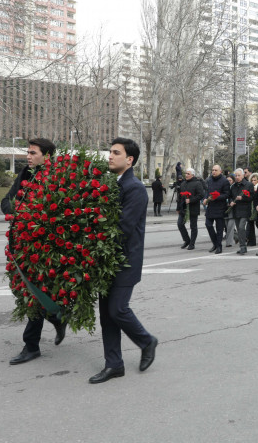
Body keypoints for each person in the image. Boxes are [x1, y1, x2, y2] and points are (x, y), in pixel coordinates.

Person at [89, 137, 157, 384]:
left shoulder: (135, 188)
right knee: (107, 314)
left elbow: (122, 228)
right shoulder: (112, 184)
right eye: (110, 152)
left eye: (115, 153)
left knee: (118, 309)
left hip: (124, 261)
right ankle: (114, 364)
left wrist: (93, 243)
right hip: (107, 260)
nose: (110, 156)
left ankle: (146, 340)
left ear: (129, 159)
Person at [3, 137, 67, 365]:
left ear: (47, 156)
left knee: (34, 295)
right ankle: (56, 317)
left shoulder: (57, 177)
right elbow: (7, 201)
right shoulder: (25, 175)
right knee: (27, 292)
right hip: (22, 245)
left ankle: (31, 346)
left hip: (46, 248)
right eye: (27, 152)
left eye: (33, 152)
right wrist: (19, 211)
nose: (28, 156)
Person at [203, 164, 230, 254]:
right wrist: (205, 199)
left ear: (220, 171)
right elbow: (207, 192)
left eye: (215, 170)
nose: (213, 172)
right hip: (210, 207)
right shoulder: (210, 180)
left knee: (219, 228)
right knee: (208, 224)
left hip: (220, 207)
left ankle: (219, 246)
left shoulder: (225, 181)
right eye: (213, 170)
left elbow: (226, 194)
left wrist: (216, 197)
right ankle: (215, 243)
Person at [177, 168, 204, 250]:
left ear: (193, 175)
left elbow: (201, 195)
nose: (186, 175)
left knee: (193, 226)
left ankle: (192, 243)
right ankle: (187, 240)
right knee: (180, 224)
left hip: (193, 208)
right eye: (186, 173)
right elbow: (180, 197)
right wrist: (178, 207)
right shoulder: (183, 183)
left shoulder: (197, 183)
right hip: (183, 208)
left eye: (188, 174)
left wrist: (191, 200)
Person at [229, 169, 254, 254]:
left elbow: (251, 197)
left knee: (241, 227)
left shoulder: (249, 185)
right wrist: (231, 202)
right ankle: (242, 246)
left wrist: (243, 198)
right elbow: (230, 196)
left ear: (243, 175)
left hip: (245, 209)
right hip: (236, 210)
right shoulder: (233, 186)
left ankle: (243, 246)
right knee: (239, 229)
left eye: (239, 175)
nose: (237, 177)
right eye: (236, 175)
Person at [223, 174, 238, 248]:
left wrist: (231, 202)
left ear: (233, 181)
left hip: (232, 209)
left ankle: (229, 242)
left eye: (230, 180)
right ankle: (240, 237)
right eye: (227, 180)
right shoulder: (224, 188)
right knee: (227, 226)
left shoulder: (234, 187)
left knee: (230, 227)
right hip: (225, 209)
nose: (228, 182)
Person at [247, 173, 258, 246]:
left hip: (257, 207)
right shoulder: (249, 187)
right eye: (252, 180)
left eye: (255, 180)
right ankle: (251, 241)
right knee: (250, 224)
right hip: (250, 208)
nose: (253, 181)